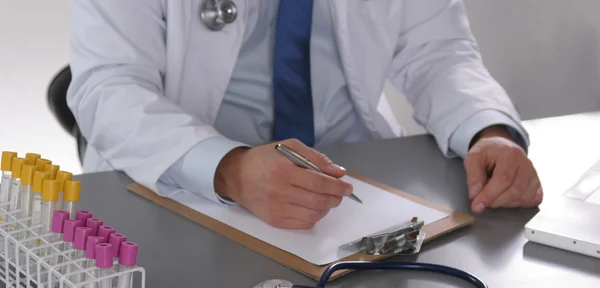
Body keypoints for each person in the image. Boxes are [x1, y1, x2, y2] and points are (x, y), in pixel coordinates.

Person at [67, 0, 543, 230]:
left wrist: (488, 129)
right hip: (191, 188)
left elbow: (438, 52)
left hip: (358, 189)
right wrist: (228, 169)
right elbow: (108, 84)